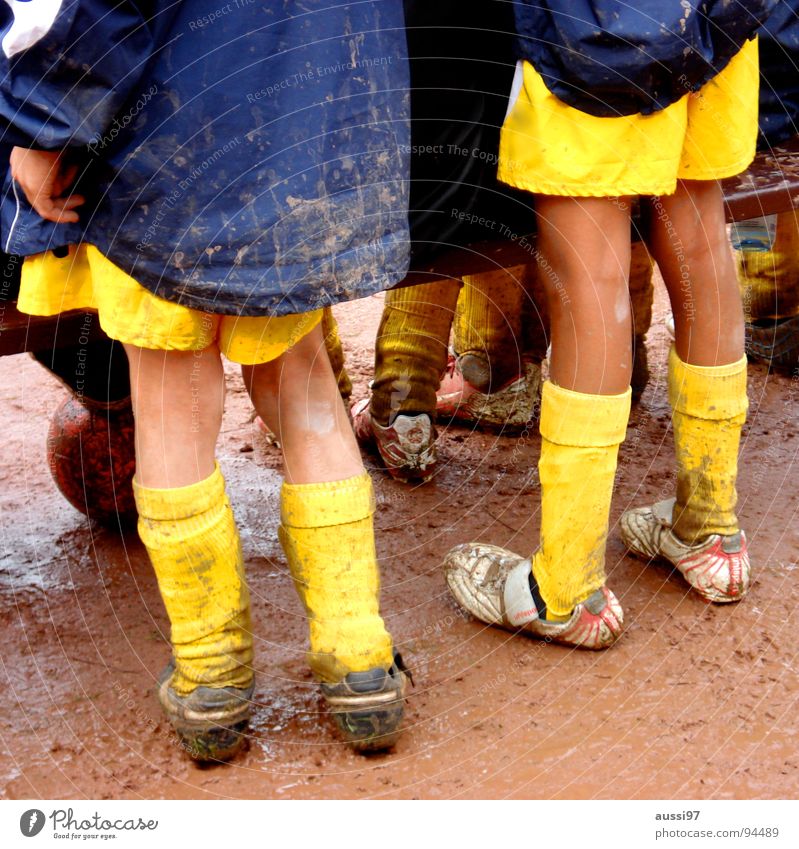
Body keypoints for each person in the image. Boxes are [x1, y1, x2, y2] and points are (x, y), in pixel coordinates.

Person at [1, 0, 410, 759]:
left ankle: (213, 677)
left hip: (168, 145)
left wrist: (41, 122)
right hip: (298, 137)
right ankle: (358, 663)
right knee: (306, 391)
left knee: (170, 409)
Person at [444, 1, 773, 648]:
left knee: (587, 278)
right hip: (712, 19)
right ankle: (710, 531)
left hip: (595, 26)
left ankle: (566, 592)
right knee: (700, 237)